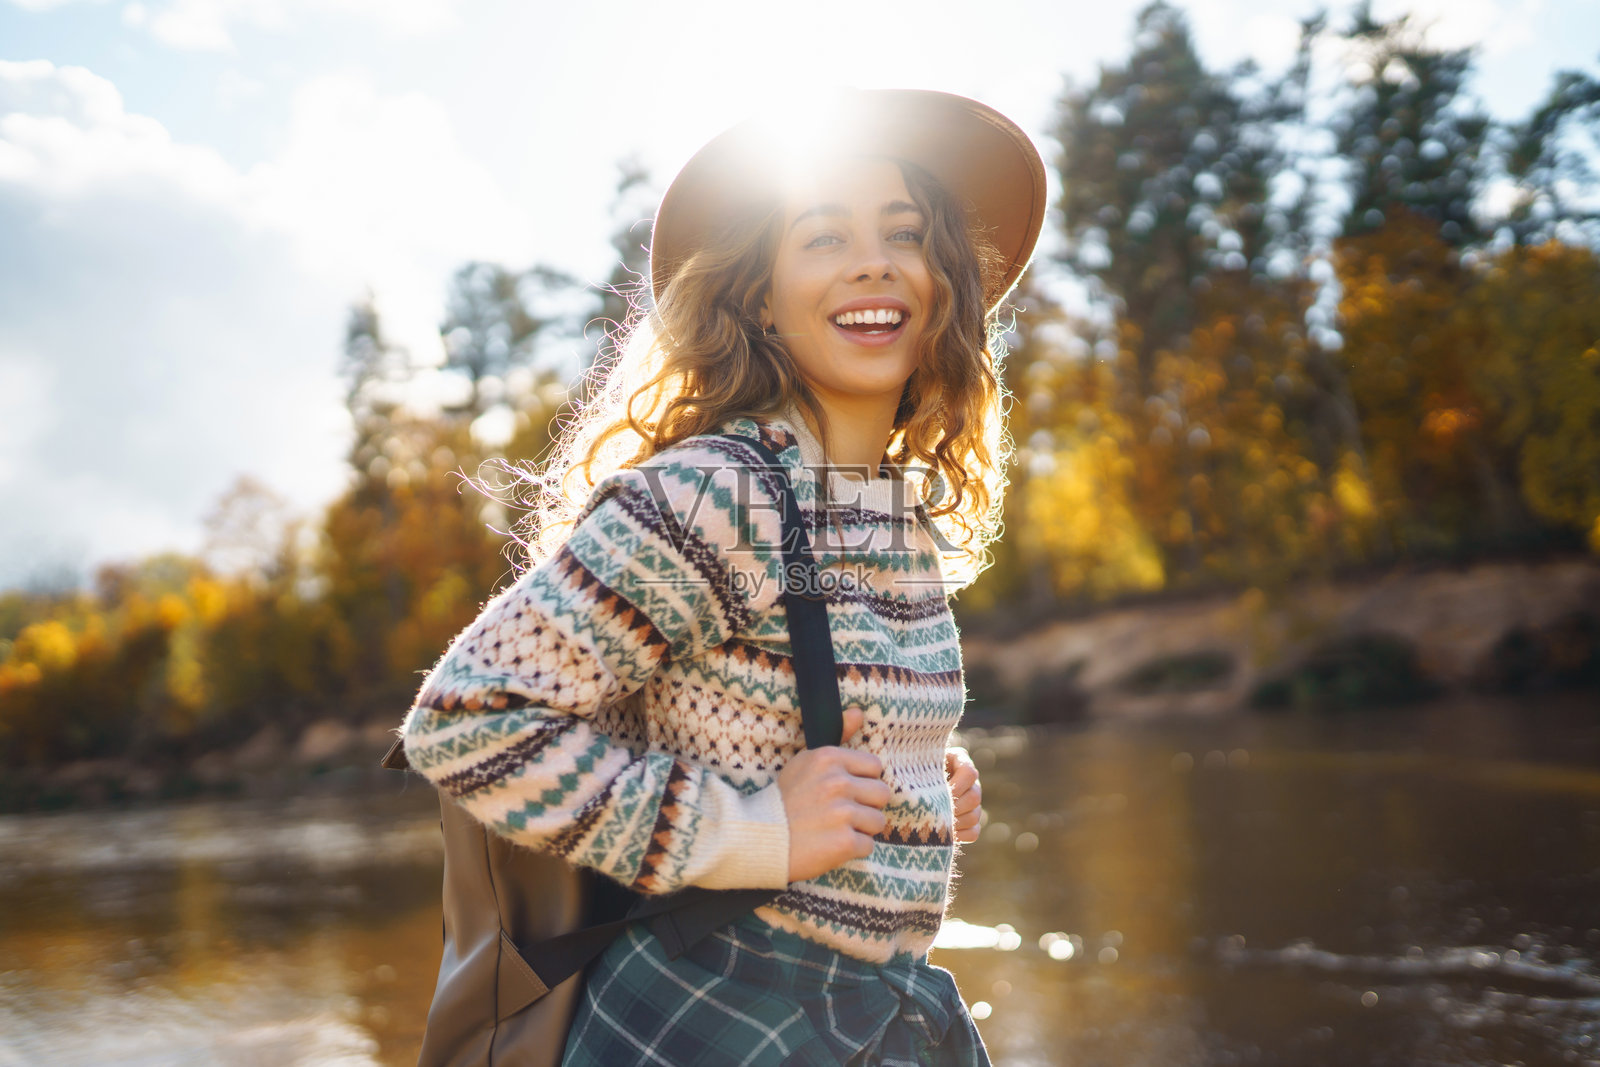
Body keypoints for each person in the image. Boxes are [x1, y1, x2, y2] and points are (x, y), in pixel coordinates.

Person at [398, 88, 1045, 1066]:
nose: (873, 258)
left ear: (942, 277)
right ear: (757, 297)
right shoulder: (720, 491)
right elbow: (468, 718)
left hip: (867, 1007)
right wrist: (751, 829)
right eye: (823, 238)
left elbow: (798, 716)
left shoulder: (887, 509)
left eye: (903, 232)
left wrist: (921, 785)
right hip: (718, 1010)